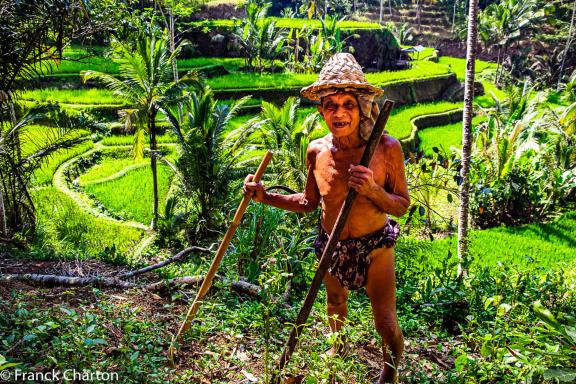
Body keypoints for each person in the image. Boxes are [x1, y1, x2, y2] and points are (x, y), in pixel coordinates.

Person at [243, 53, 410, 384]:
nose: (339, 112)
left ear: (361, 107)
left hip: (375, 246)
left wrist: (374, 191)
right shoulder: (317, 151)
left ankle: (388, 374)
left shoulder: (386, 148)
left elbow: (401, 205)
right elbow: (308, 202)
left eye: (348, 103)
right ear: (320, 110)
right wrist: (266, 197)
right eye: (330, 104)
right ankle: (338, 355)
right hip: (331, 246)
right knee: (335, 304)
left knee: (386, 324)